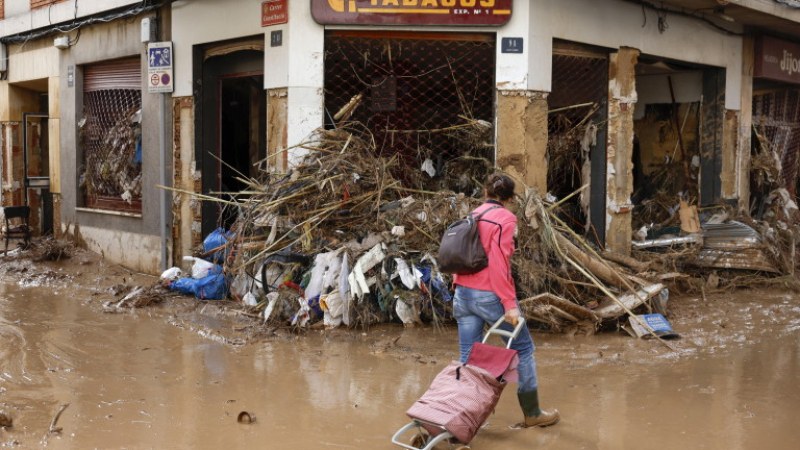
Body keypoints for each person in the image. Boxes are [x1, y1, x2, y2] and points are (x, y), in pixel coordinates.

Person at [452, 173, 560, 428]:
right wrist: (509, 304)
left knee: (469, 356)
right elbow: (500, 265)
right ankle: (532, 413)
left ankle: (466, 415)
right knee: (523, 349)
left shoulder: (472, 215)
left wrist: (458, 285)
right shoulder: (505, 219)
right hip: (489, 296)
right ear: (510, 199)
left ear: (485, 193)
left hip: (462, 293)